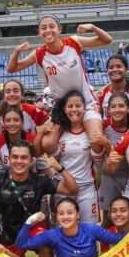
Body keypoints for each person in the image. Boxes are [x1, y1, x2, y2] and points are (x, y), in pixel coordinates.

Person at [6, 16, 112, 151]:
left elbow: (107, 40)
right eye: (43, 28)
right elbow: (12, 68)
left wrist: (92, 27)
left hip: (86, 102)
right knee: (47, 144)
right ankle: (61, 167)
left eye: (51, 26)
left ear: (59, 29)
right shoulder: (39, 53)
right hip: (61, 108)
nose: (48, 30)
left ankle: (96, 170)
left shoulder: (74, 42)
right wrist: (16, 52)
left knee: (96, 140)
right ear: (39, 33)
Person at [0, 140, 77, 257]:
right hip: (9, 235)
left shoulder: (40, 181)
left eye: (24, 158)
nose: (19, 161)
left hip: (33, 230)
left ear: (31, 161)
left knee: (46, 246)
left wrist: (60, 168)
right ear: (9, 159)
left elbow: (72, 189)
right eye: (15, 157)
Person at [38, 90, 102, 223]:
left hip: (86, 189)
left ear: (85, 108)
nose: (74, 109)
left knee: (90, 229)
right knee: (63, 231)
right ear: (64, 109)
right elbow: (48, 150)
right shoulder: (60, 132)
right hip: (64, 188)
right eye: (70, 106)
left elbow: (98, 160)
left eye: (78, 106)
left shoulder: (90, 132)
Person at [16, 197, 125, 257]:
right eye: (61, 213)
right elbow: (22, 244)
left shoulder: (91, 229)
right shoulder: (53, 235)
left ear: (77, 215)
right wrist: (29, 222)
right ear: (57, 217)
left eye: (70, 213)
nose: (65, 217)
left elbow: (118, 239)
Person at [98, 92, 129, 213]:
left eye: (121, 106)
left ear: (128, 108)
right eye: (113, 106)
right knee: (108, 216)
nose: (117, 110)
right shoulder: (103, 126)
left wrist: (107, 144)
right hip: (109, 177)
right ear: (108, 110)